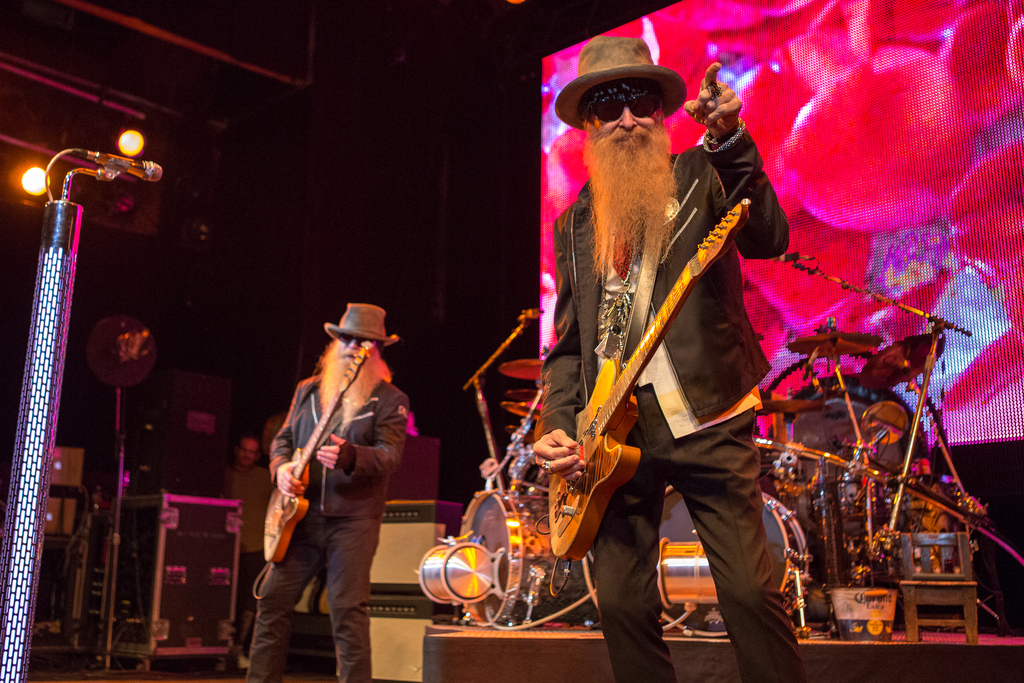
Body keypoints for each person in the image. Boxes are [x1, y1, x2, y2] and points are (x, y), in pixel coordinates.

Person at [533, 36, 808, 683]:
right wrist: (561, 421)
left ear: (661, 112)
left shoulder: (702, 174)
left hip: (709, 415)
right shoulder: (573, 224)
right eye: (609, 106)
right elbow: (569, 343)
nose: (627, 118)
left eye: (641, 101)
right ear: (589, 125)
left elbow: (769, 236)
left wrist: (732, 138)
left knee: (747, 591)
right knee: (624, 603)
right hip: (611, 434)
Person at [247, 303, 409, 683]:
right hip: (298, 520)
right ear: (336, 343)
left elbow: (391, 456)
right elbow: (283, 439)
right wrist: (282, 469)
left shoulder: (389, 399)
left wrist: (350, 455)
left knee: (347, 612)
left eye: (364, 342)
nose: (354, 346)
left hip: (352, 521)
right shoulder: (308, 390)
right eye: (348, 338)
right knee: (271, 602)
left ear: (377, 349)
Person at [224, 432, 275, 668]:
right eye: (244, 449)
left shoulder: (266, 477)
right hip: (226, 548)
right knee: (225, 601)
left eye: (253, 452)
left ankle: (239, 649)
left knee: (249, 603)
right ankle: (220, 650)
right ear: (237, 450)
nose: (247, 455)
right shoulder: (223, 474)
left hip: (255, 548)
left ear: (258, 455)